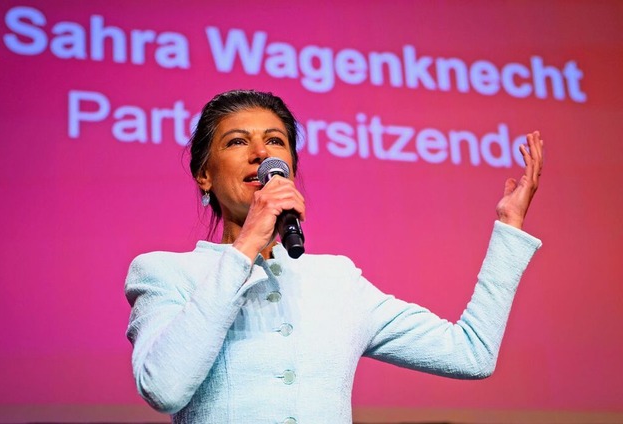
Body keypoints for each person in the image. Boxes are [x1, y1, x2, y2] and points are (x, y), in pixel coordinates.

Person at [125, 90, 544, 424]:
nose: (261, 154)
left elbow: (472, 353)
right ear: (205, 174)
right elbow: (164, 389)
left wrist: (509, 227)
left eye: (275, 141)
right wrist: (247, 244)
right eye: (237, 142)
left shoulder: (336, 279)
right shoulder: (165, 271)